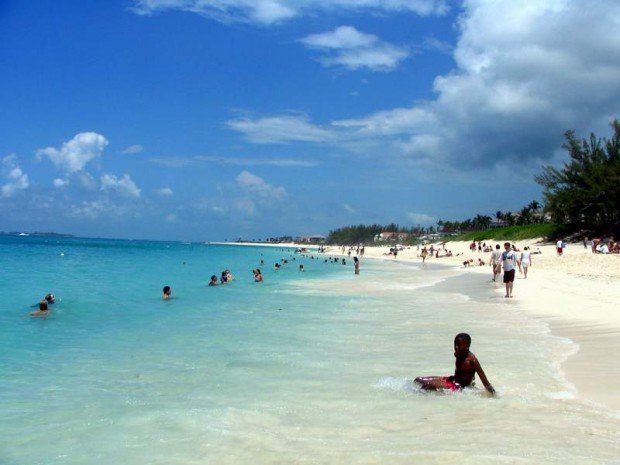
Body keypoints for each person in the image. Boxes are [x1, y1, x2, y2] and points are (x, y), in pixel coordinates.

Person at [414, 333, 495, 394]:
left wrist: (495, 395)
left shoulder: (472, 361)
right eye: (455, 344)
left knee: (427, 386)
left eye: (459, 346)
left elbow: (485, 382)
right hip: (452, 380)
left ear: (467, 346)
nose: (456, 347)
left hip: (458, 386)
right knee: (418, 380)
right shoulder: (458, 353)